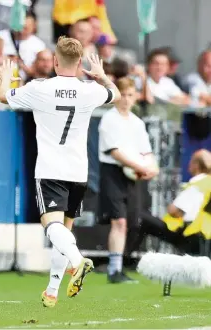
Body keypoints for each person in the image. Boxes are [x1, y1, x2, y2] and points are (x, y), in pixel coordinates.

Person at [0, 36, 121, 307]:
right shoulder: (90, 90)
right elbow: (117, 94)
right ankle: (52, 290)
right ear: (79, 63)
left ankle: (78, 262)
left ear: (54, 61)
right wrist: (100, 76)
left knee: (51, 226)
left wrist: (5, 76)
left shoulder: (40, 87)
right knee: (65, 231)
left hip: (51, 168)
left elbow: (2, 97)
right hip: (78, 170)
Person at [97, 77, 159, 284]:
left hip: (133, 176)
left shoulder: (137, 123)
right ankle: (114, 271)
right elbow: (115, 152)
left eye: (130, 95)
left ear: (135, 97)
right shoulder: (109, 119)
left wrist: (151, 168)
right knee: (119, 222)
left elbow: (146, 152)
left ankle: (119, 266)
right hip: (113, 173)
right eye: (122, 94)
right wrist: (140, 167)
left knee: (133, 223)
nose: (125, 99)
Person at [131, 149, 211, 255]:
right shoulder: (208, 182)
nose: (189, 164)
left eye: (191, 161)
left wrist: (171, 207)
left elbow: (176, 211)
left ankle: (124, 258)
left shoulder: (198, 184)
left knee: (141, 218)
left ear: (196, 165)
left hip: (187, 232)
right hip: (204, 233)